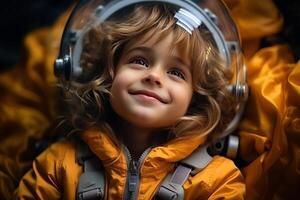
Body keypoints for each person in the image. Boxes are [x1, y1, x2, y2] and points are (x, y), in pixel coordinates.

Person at [14, 2, 245, 199]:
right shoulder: (58, 165)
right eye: (140, 61)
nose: (154, 76)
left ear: (196, 97)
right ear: (108, 71)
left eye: (176, 73)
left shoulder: (217, 181)